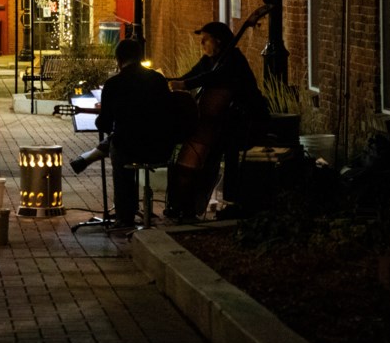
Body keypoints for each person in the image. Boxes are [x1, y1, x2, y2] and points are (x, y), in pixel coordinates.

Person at [167, 21, 269, 219]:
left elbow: (213, 77)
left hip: (245, 120)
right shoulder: (209, 60)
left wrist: (186, 84)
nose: (202, 44)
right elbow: (191, 76)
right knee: (208, 157)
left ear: (219, 41)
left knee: (223, 154)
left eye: (205, 40)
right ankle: (189, 205)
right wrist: (170, 81)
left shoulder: (234, 60)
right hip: (222, 123)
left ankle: (229, 202)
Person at [94, 39, 183, 229]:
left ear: (118, 60)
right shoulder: (158, 80)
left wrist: (100, 117)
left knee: (117, 150)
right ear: (141, 58)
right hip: (160, 148)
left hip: (130, 149)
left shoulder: (113, 84)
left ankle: (124, 216)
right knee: (119, 142)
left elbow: (105, 123)